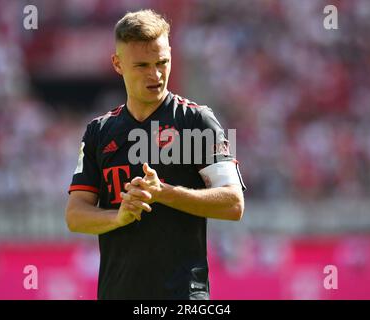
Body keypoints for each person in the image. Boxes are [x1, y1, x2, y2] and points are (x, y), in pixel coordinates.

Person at [65, 9, 246, 300]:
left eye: (162, 62)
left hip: (184, 295)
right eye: (142, 65)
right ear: (117, 64)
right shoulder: (99, 132)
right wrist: (119, 217)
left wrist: (164, 193)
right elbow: (75, 215)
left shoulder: (196, 122)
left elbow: (234, 203)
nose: (156, 74)